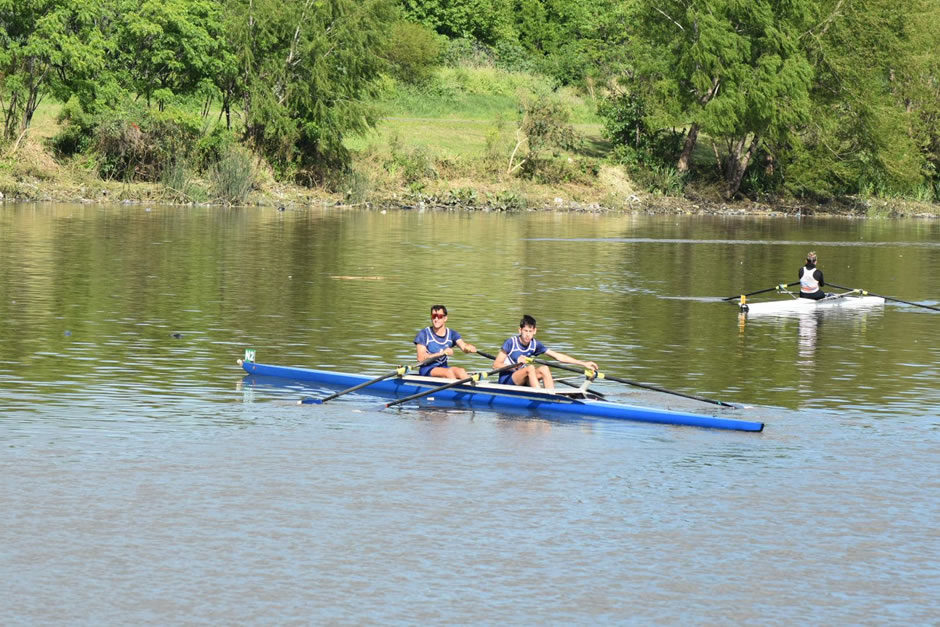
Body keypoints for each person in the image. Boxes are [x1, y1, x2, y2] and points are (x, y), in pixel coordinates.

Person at [492, 314, 598, 391]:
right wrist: (515, 366)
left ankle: (551, 395)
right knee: (530, 368)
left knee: (544, 368)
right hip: (506, 381)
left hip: (522, 379)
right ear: (520, 330)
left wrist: (583, 363)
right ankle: (539, 395)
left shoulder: (535, 344)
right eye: (525, 331)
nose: (528, 335)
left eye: (530, 331)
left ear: (535, 331)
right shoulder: (510, 343)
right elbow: (496, 365)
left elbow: (558, 357)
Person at [414, 305, 477, 378]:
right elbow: (421, 358)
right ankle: (455, 388)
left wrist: (468, 348)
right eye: (434, 316)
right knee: (449, 373)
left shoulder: (452, 334)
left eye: (440, 316)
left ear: (445, 318)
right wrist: (442, 353)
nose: (436, 319)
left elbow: (463, 347)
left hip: (444, 368)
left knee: (461, 371)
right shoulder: (424, 334)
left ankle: (470, 388)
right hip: (427, 369)